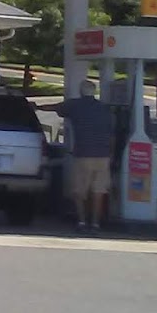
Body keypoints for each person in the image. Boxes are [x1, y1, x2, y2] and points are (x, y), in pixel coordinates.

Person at [55, 80, 116, 232]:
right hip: (103, 156)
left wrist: (36, 106)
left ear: (81, 91)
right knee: (99, 191)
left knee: (79, 191)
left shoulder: (75, 105)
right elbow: (112, 136)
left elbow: (57, 109)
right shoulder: (104, 109)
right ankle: (95, 223)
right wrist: (111, 154)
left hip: (83, 154)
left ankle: (82, 222)